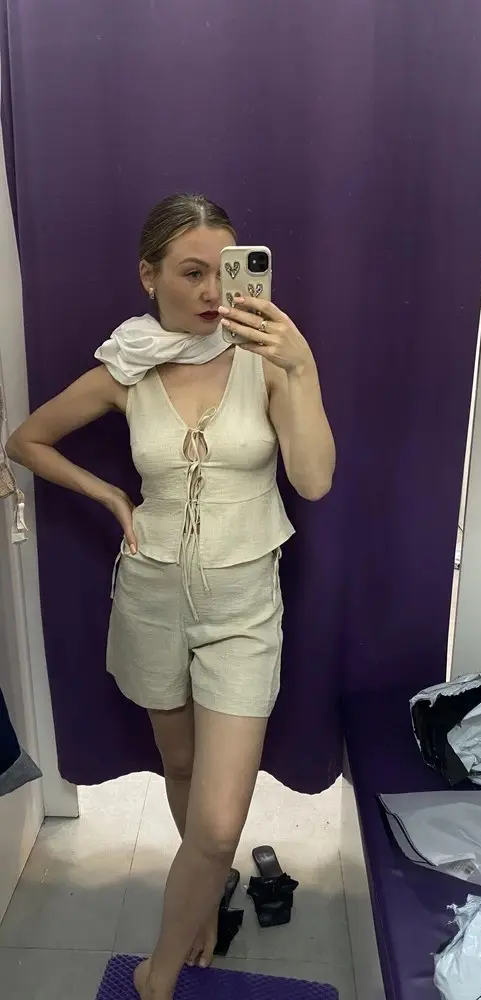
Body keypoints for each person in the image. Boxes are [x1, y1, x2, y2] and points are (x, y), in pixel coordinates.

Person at [7, 193, 335, 1000]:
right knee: (179, 764)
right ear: (148, 276)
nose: (212, 292)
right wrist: (111, 496)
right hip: (151, 600)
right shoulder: (128, 367)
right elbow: (26, 441)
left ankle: (156, 977)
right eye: (191, 273)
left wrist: (300, 368)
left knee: (218, 825)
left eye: (224, 271)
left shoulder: (269, 359)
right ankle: (202, 905)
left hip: (243, 612)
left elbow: (314, 481)